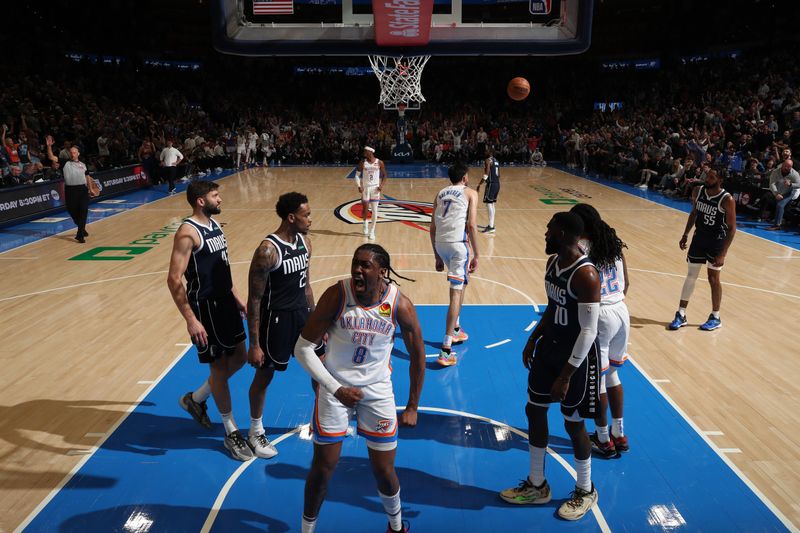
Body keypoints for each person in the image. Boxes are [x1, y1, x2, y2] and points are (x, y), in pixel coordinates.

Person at [292, 244, 426, 533]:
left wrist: (413, 405)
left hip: (376, 390)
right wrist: (333, 386)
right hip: (335, 387)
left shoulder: (399, 305)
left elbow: (418, 355)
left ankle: (396, 525)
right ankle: (306, 530)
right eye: (355, 263)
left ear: (382, 272)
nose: (357, 269)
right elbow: (302, 349)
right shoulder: (337, 295)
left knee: (383, 470)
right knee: (323, 467)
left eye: (365, 265)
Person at [500, 212, 601, 521]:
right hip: (550, 349)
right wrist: (533, 339)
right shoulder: (553, 264)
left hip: (577, 359)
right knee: (534, 410)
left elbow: (589, 331)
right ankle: (536, 484)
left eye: (550, 230)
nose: (545, 234)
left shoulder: (586, 275)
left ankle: (585, 489)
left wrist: (566, 375)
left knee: (573, 423)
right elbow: (552, 308)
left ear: (565, 234)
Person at [166, 180, 254, 461]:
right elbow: (173, 279)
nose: (220, 200)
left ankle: (197, 398)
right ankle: (230, 431)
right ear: (201, 201)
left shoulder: (215, 226)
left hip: (226, 302)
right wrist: (191, 320)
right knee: (218, 368)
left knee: (241, 357)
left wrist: (237, 296)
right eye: (216, 196)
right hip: (205, 308)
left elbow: (222, 269)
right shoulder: (187, 233)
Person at [246, 192, 320, 459]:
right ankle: (255, 431)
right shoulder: (267, 251)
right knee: (265, 376)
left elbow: (307, 284)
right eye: (306, 215)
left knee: (320, 368)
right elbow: (254, 299)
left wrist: (315, 317)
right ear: (291, 217)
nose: (310, 219)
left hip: (302, 314)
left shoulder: (306, 243)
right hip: (275, 320)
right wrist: (253, 344)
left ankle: (323, 420)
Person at [571, 203, 630, 458]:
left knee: (596, 383)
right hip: (621, 310)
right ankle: (619, 433)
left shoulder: (581, 247)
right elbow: (627, 282)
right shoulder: (613, 243)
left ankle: (603, 438)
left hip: (601, 315)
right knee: (613, 376)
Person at [668, 169, 737, 331]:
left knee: (713, 279)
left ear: (720, 179)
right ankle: (681, 313)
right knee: (691, 275)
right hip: (699, 238)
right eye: (708, 176)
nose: (708, 179)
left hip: (716, 242)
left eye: (712, 177)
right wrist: (685, 234)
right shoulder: (698, 191)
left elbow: (732, 228)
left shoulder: (727, 199)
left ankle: (715, 316)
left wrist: (723, 253)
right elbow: (694, 213)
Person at [429, 161, 479, 366]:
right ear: (465, 177)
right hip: (459, 245)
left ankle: (456, 328)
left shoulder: (440, 193)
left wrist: (436, 255)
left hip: (441, 244)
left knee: (462, 282)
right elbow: (472, 225)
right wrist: (478, 254)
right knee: (456, 293)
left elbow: (431, 228)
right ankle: (446, 349)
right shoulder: (470, 193)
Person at [62, 145, 95, 243]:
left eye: (74, 152)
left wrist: (91, 188)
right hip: (70, 190)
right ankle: (82, 227)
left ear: (78, 154)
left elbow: (87, 176)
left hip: (82, 189)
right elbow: (51, 157)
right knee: (72, 211)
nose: (72, 154)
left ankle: (80, 235)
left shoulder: (83, 165)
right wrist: (49, 146)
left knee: (83, 210)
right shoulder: (65, 163)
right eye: (71, 152)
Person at [354, 146, 386, 240]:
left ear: (370, 152)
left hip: (375, 188)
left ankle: (372, 231)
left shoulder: (379, 162)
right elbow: (356, 176)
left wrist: (381, 186)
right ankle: (365, 223)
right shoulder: (363, 163)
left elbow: (385, 175)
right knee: (365, 209)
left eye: (365, 151)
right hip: (366, 188)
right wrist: (359, 186)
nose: (364, 153)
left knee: (375, 210)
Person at [765, 160, 800, 230]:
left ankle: (777, 225)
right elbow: (771, 184)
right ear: (782, 165)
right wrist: (776, 193)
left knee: (780, 205)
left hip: (789, 193)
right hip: (778, 191)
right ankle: (795, 222)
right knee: (785, 209)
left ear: (791, 167)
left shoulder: (795, 174)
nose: (786, 168)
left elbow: (799, 184)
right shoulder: (775, 172)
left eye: (789, 167)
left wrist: (791, 184)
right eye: (785, 166)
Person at [476, 149, 501, 234]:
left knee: (489, 204)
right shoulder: (496, 160)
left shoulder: (488, 160)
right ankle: (491, 225)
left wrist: (479, 184)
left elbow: (486, 174)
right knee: (492, 204)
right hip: (497, 184)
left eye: (486, 151)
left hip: (491, 184)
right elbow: (499, 175)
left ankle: (491, 227)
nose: (484, 152)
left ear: (489, 153)